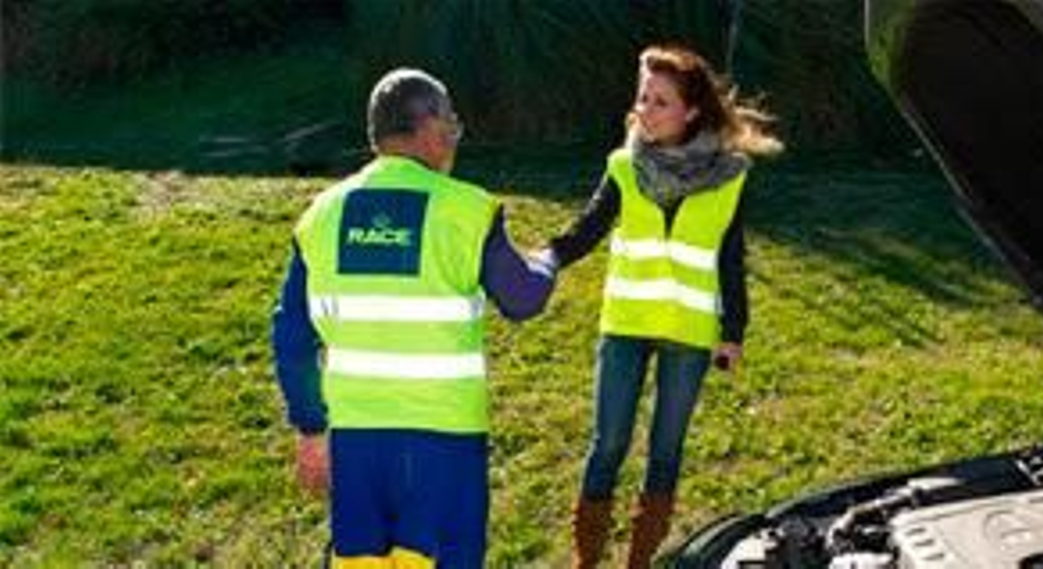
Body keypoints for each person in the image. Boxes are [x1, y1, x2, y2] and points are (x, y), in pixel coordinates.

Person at [271, 68, 558, 568]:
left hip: (356, 442)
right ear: (427, 126)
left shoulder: (320, 214)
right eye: (451, 123)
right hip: (443, 441)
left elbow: (292, 334)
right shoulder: (466, 209)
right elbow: (522, 298)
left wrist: (311, 430)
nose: (454, 136)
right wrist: (549, 260)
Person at [544, 45, 782, 568]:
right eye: (643, 98)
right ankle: (587, 562)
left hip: (689, 333)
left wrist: (732, 331)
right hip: (625, 325)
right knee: (608, 445)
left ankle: (638, 563)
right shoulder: (625, 167)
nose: (644, 111)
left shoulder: (731, 176)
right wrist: (546, 258)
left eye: (660, 102)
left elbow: (730, 257)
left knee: (665, 454)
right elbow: (589, 227)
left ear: (691, 111)